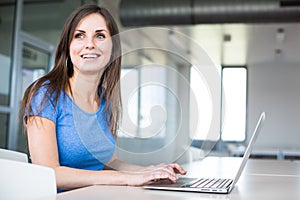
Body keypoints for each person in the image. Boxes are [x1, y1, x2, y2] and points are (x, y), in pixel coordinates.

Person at [20, 4, 186, 191]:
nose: (89, 44)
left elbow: (109, 162)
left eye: (100, 36)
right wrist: (125, 179)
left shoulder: (105, 100)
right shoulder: (45, 94)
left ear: (112, 48)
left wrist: (149, 172)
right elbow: (48, 172)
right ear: (68, 47)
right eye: (79, 35)